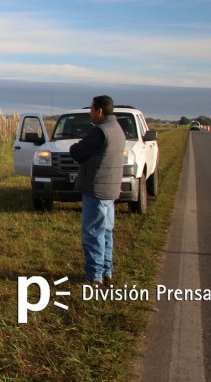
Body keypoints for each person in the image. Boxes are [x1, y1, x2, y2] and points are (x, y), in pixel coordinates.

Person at [69, 95, 126, 284]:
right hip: (110, 189)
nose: (90, 113)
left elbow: (77, 151)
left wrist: (77, 147)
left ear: (99, 111)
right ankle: (106, 271)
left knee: (93, 233)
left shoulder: (100, 131)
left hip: (97, 189)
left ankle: (94, 277)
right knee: (106, 232)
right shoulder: (117, 129)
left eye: (92, 109)